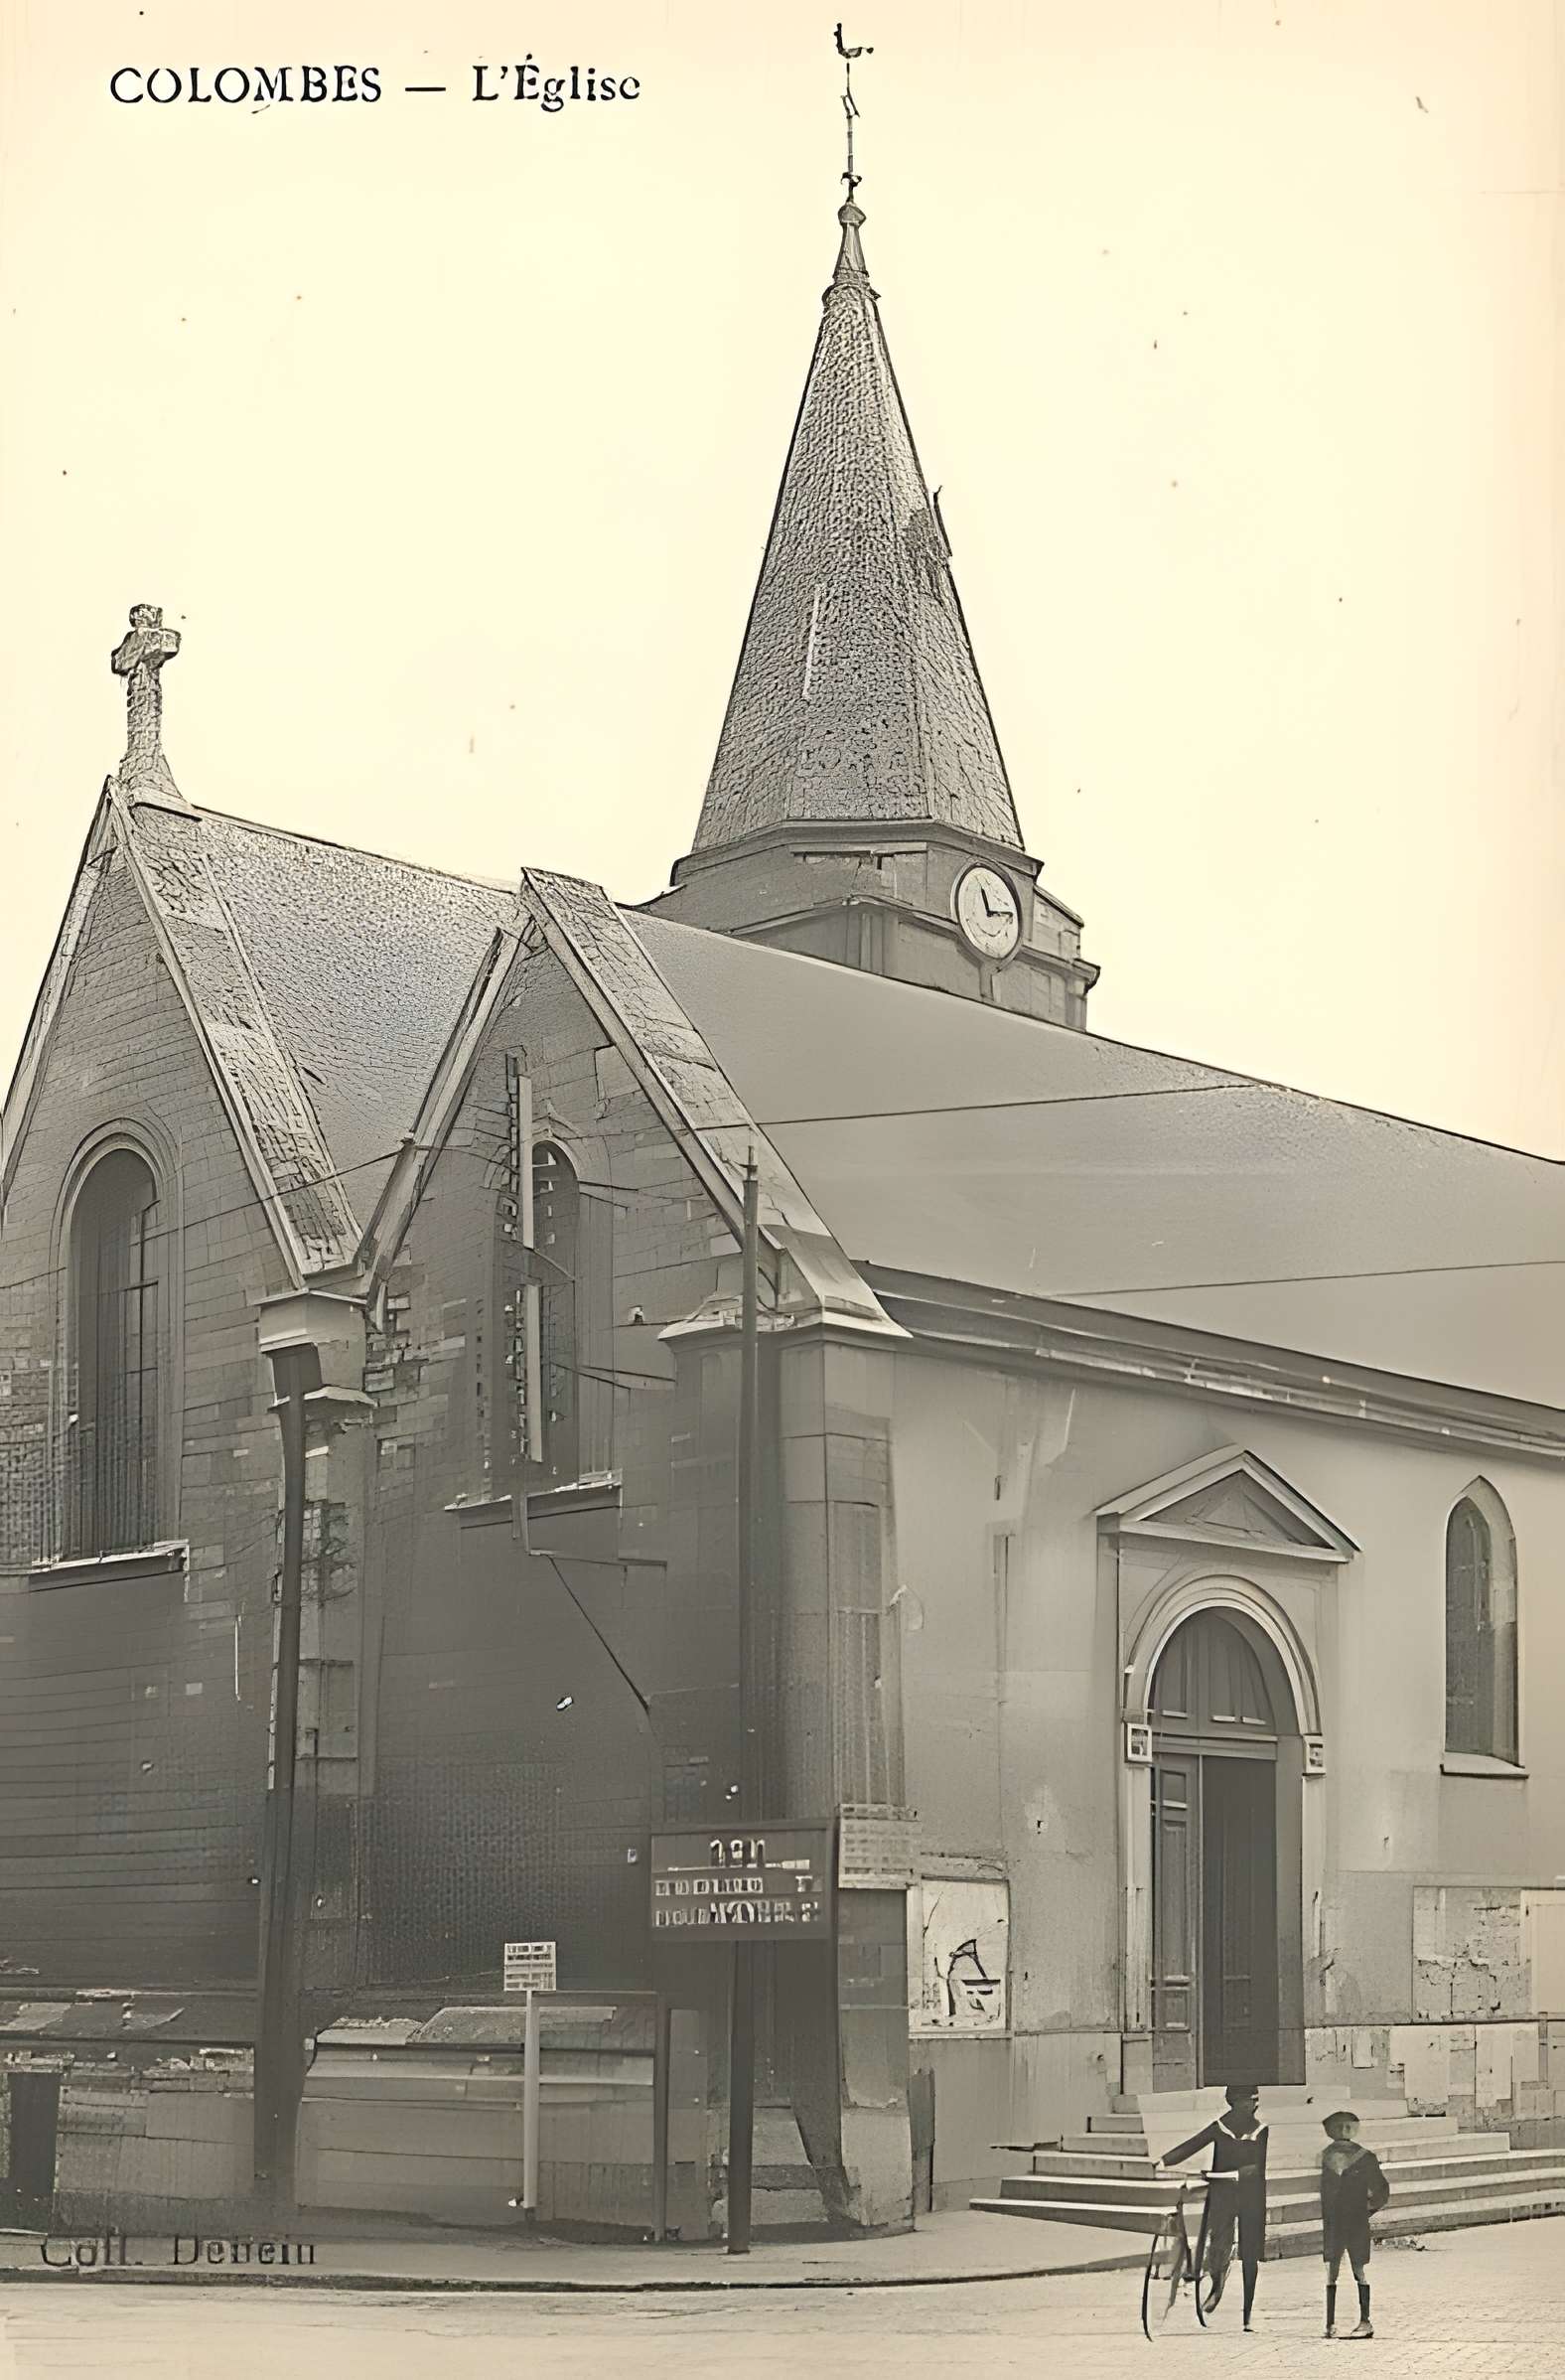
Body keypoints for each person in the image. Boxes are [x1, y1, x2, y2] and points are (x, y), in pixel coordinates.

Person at [1158, 2083, 1269, 2332]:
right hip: (1223, 2195)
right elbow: (1192, 2144)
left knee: (1250, 2254)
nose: (1255, 2105)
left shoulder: (1261, 2130)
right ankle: (1217, 2286)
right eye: (1251, 2100)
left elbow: (1257, 2167)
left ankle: (1248, 2314)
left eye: (1256, 2100)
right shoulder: (1220, 2127)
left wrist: (1235, 2174)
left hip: (1252, 2196)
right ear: (1236, 2103)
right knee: (1219, 2244)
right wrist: (1164, 2160)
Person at [1320, 2109, 1390, 2339]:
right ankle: (1330, 2322)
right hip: (1336, 2221)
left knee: (1357, 2268)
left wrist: (1366, 2210)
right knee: (1333, 2270)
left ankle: (1365, 2320)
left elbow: (1380, 2189)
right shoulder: (1326, 2156)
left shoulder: (1363, 2157)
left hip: (1353, 2221)